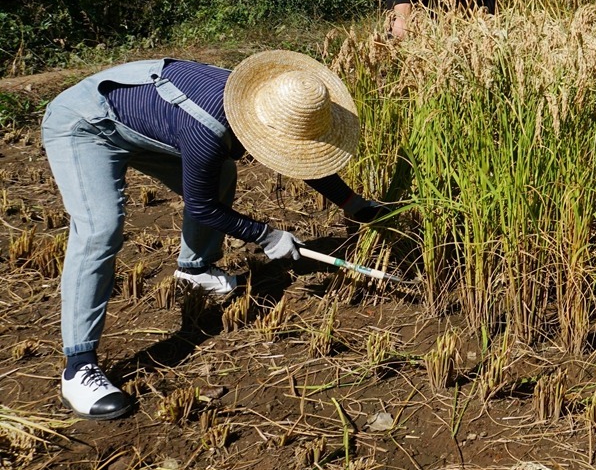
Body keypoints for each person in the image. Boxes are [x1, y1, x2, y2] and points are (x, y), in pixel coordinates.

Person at [42, 50, 392, 421]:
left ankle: (195, 270)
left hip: (147, 122)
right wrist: (267, 235)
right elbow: (202, 207)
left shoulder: (257, 97)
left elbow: (298, 152)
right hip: (86, 124)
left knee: (221, 173)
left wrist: (354, 203)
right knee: (101, 229)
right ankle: (78, 366)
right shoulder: (208, 128)